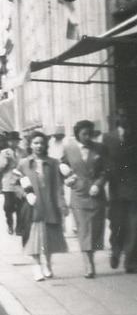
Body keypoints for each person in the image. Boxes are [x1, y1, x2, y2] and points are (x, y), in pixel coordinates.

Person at [61, 119, 109, 278]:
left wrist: (99, 184)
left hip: (96, 193)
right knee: (83, 230)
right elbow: (62, 167)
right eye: (84, 134)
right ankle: (88, 264)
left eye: (90, 133)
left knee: (94, 230)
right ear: (77, 134)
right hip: (79, 193)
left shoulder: (100, 148)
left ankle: (91, 257)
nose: (87, 137)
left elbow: (105, 170)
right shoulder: (69, 148)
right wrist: (67, 179)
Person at [20, 131, 68, 281]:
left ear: (45, 145)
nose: (39, 146)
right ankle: (36, 266)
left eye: (41, 143)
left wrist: (62, 203)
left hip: (49, 203)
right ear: (30, 145)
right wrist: (26, 194)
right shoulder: (24, 163)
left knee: (48, 236)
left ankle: (47, 263)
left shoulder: (53, 163)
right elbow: (16, 183)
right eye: (35, 143)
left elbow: (58, 185)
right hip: (33, 206)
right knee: (34, 236)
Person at [108, 113, 137, 273]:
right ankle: (116, 251)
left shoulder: (134, 139)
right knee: (117, 225)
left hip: (133, 191)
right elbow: (105, 163)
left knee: (134, 227)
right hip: (116, 192)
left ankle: (130, 261)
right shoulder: (108, 138)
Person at [0, 132, 24, 242]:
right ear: (8, 142)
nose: (14, 142)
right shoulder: (4, 153)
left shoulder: (23, 152)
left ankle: (19, 228)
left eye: (16, 140)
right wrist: (5, 162)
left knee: (20, 205)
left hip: (20, 182)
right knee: (8, 206)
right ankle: (10, 224)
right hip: (8, 183)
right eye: (11, 140)